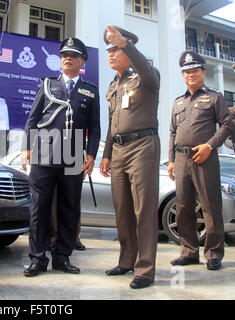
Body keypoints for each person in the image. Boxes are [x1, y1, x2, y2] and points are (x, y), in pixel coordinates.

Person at [21, 37, 100, 277]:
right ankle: (37, 258)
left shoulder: (90, 91)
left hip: (74, 153)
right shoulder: (47, 85)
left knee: (69, 209)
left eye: (73, 55)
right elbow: (33, 119)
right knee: (40, 209)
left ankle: (62, 257)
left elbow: (95, 128)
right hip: (45, 150)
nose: (68, 58)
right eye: (65, 54)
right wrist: (27, 148)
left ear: (82, 61)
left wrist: (91, 155)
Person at [99, 25, 160, 289]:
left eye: (116, 49)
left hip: (143, 146)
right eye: (109, 50)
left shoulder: (146, 75)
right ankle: (126, 261)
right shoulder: (115, 84)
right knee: (122, 209)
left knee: (143, 210)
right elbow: (113, 121)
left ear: (128, 48)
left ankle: (145, 269)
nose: (111, 54)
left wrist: (126, 44)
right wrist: (106, 154)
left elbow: (146, 70)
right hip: (120, 150)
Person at [168, 50, 233, 271]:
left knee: (210, 206)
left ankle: (214, 254)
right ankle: (189, 252)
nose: (190, 75)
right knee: (184, 207)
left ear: (203, 73)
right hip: (182, 159)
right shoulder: (178, 103)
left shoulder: (215, 98)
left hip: (204, 158)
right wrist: (171, 160)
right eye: (186, 72)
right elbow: (172, 133)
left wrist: (210, 145)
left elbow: (227, 124)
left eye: (195, 71)